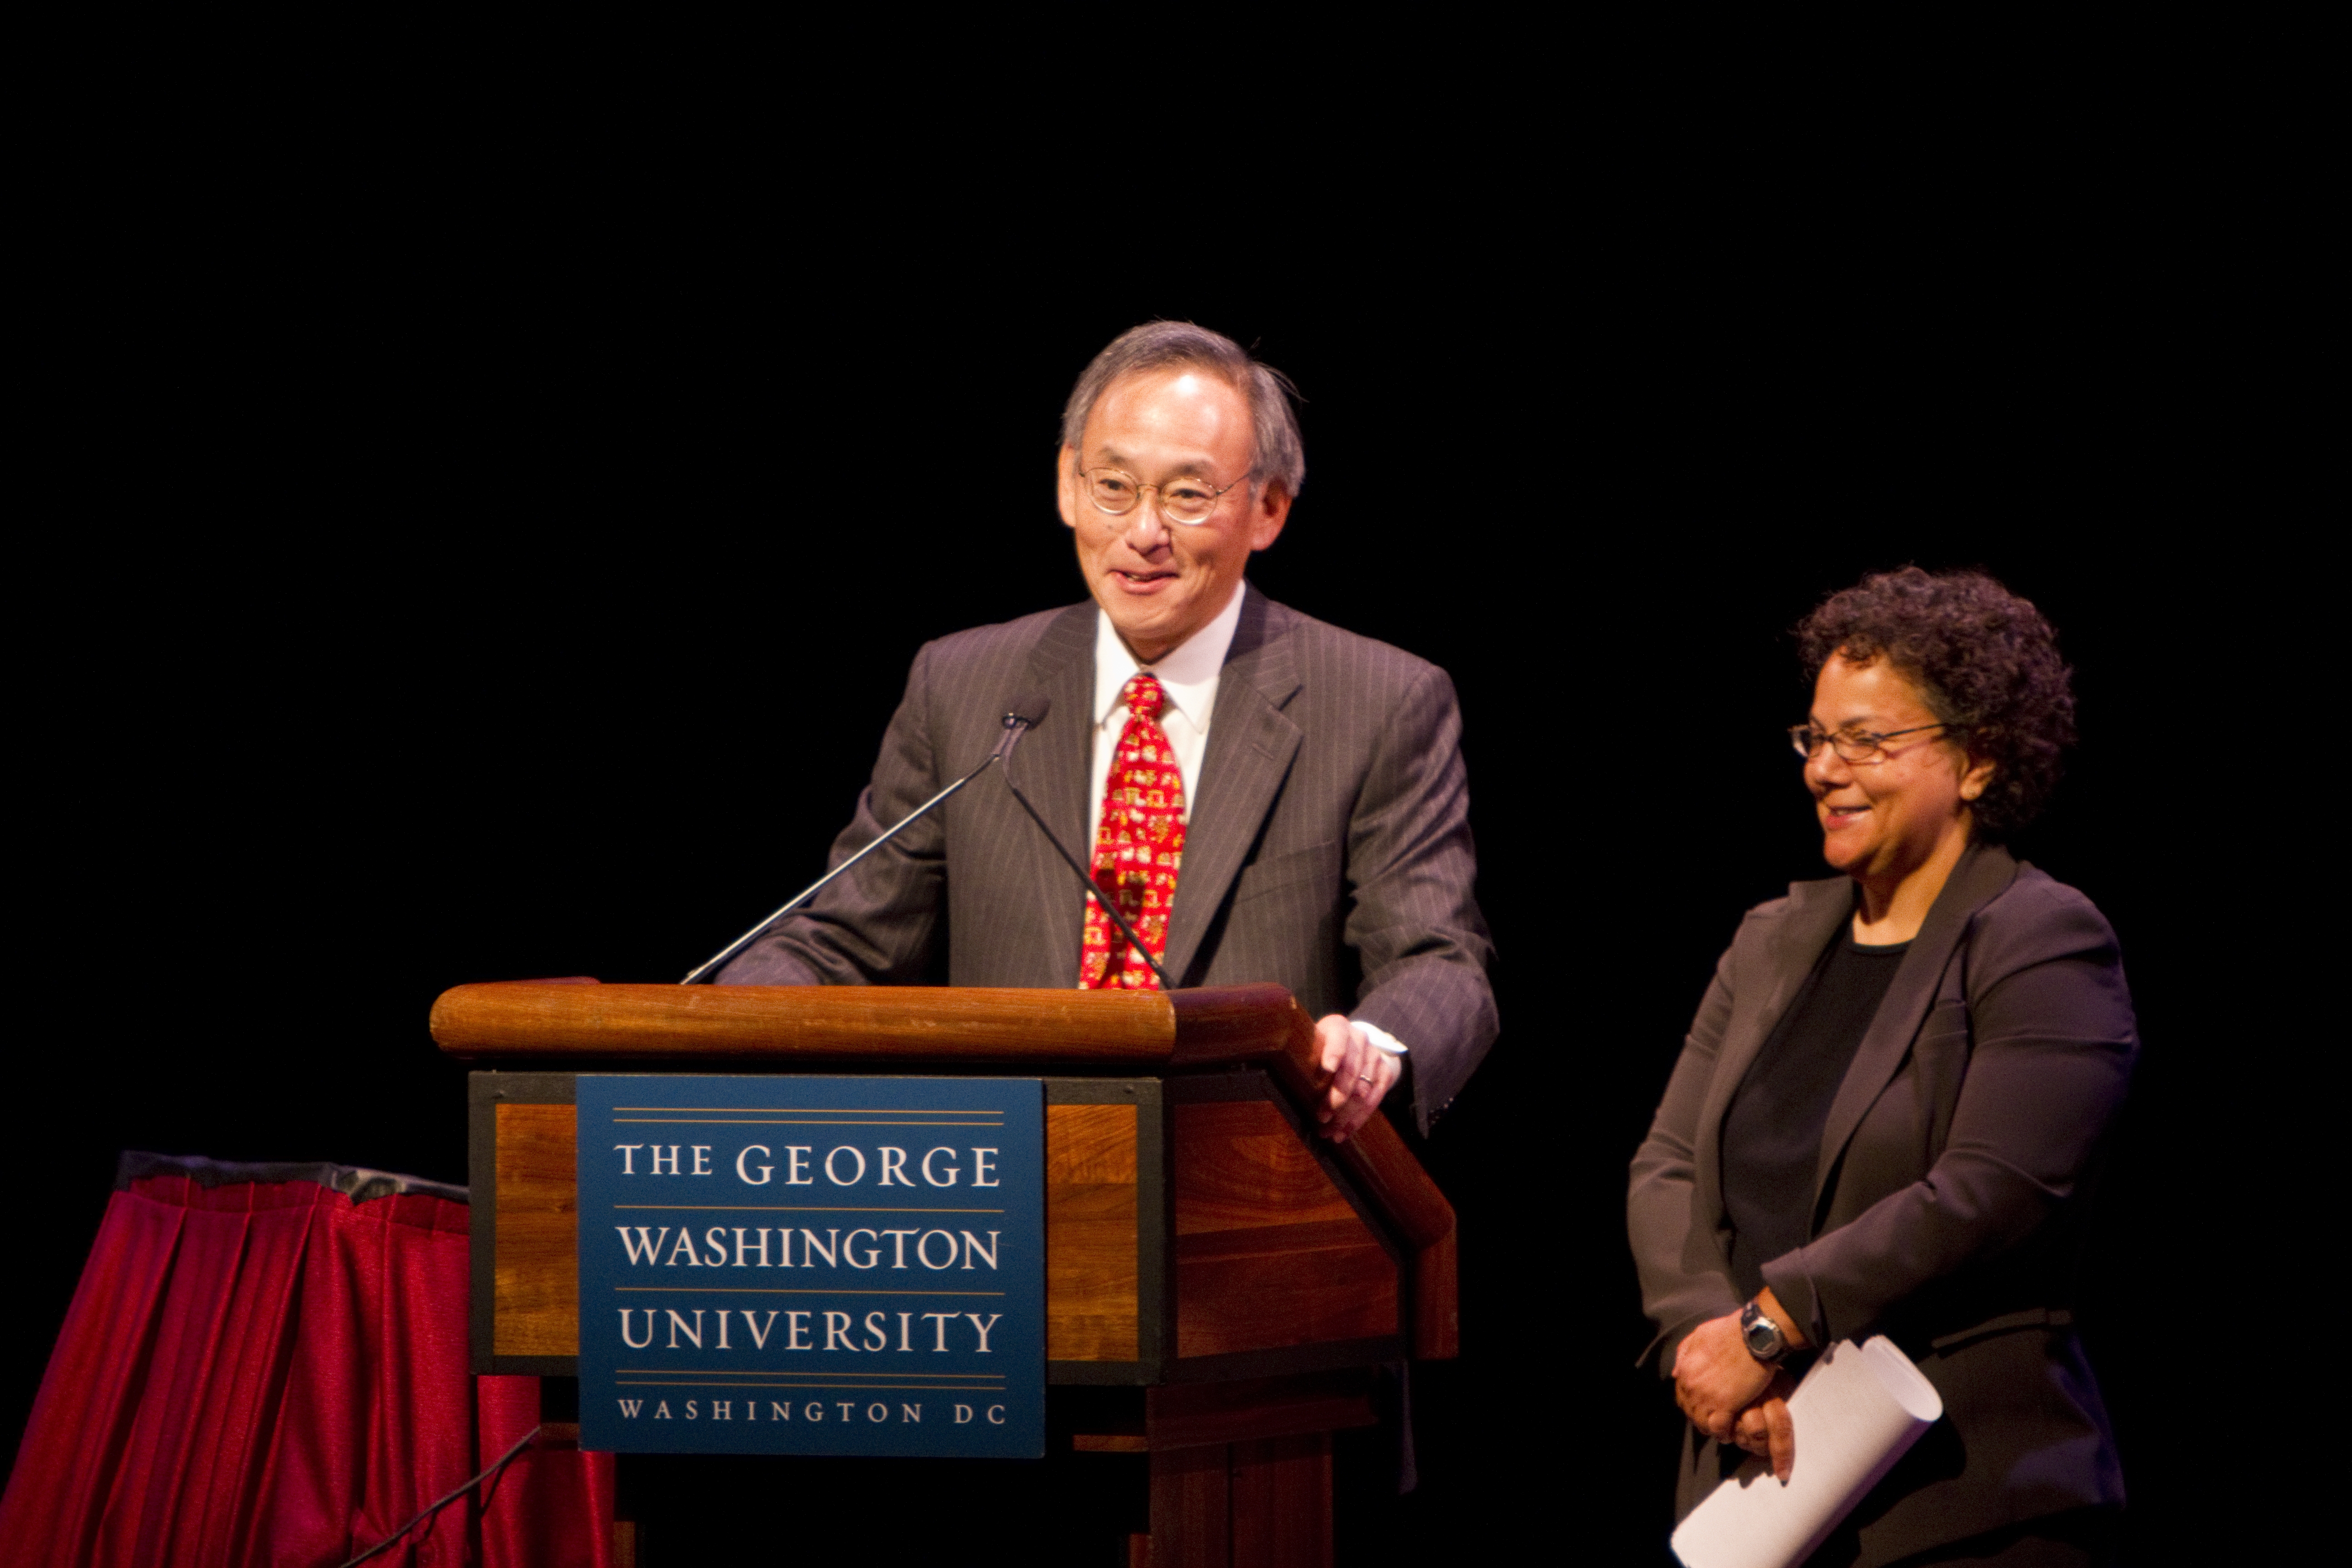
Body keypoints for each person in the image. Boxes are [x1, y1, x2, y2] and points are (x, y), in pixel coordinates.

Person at [716, 322, 1496, 1139]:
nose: (1143, 531)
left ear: (1267, 510)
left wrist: (1372, 1047)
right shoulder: (964, 685)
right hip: (997, 1185)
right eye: (1113, 486)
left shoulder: (1377, 701)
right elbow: (841, 942)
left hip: (1250, 1187)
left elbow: (1439, 964)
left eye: (1187, 495)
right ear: (1065, 484)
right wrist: (712, 1031)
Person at [1627, 567, 2134, 1566]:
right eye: (1816, 737)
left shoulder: (2040, 939)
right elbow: (1669, 1165)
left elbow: (1991, 1190)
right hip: (1758, 1488)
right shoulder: (1769, 938)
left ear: (1978, 762)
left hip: (1962, 1503)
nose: (1825, 769)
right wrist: (1711, 1346)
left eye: (1868, 740)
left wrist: (1773, 1327)